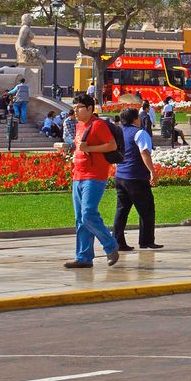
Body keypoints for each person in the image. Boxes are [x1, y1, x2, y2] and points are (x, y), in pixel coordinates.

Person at [63, 93, 120, 268]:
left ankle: (110, 246)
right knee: (80, 218)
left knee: (88, 213)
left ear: (89, 108)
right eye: (74, 108)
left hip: (94, 176)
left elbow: (112, 146)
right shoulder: (80, 126)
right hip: (78, 175)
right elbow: (81, 148)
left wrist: (90, 148)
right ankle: (83, 257)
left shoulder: (98, 125)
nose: (75, 111)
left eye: (78, 107)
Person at [112, 106, 162, 252]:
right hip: (136, 177)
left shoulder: (119, 132)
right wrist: (152, 172)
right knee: (147, 209)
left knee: (121, 210)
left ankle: (118, 242)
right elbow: (144, 153)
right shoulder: (140, 133)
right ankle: (146, 241)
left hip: (120, 176)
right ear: (135, 119)